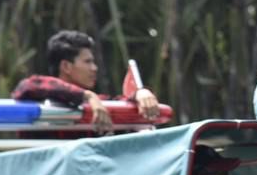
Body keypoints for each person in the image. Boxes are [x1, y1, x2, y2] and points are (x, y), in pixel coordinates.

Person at [11, 30, 160, 134]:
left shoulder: (100, 104)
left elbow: (123, 103)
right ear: (66, 67)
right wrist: (86, 96)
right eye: (87, 62)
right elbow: (28, 85)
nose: (94, 68)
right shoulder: (39, 97)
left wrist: (141, 93)